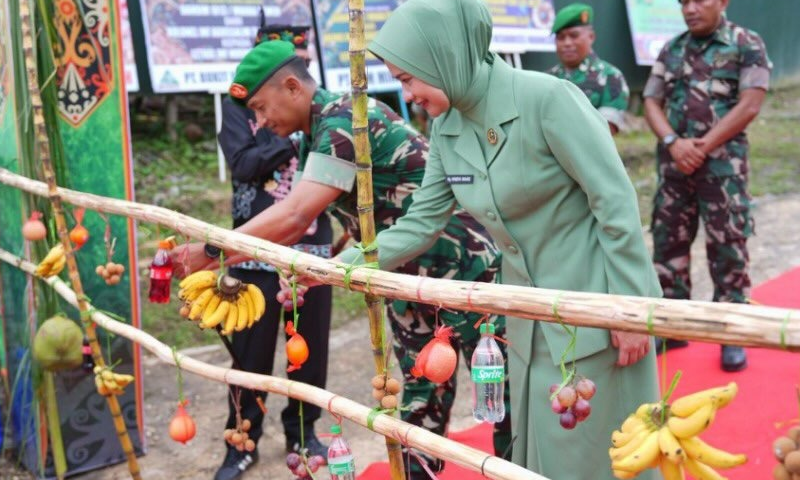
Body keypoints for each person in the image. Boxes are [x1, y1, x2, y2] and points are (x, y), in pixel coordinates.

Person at [324, 0, 661, 478]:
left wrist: (629, 308)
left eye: (408, 78)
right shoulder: (446, 127)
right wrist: (348, 262)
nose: (409, 93)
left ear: (443, 57)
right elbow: (422, 222)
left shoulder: (547, 99)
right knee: (544, 454)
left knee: (606, 456)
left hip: (598, 308)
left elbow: (616, 202)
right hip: (527, 317)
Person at [175, 40, 513, 477]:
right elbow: (317, 217)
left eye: (260, 107)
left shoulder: (345, 119)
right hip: (403, 280)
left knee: (500, 396)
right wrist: (314, 262)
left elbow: (294, 215)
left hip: (462, 274)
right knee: (419, 395)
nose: (258, 121)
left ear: (293, 87)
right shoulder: (314, 135)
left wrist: (208, 251)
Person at [211, 24, 333, 480]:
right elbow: (242, 163)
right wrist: (289, 138)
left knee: (309, 351)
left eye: (300, 51)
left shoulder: (325, 110)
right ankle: (241, 439)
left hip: (313, 248)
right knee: (250, 353)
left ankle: (303, 432)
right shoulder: (239, 104)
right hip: (253, 250)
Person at [643, 0, 770, 372]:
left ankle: (730, 332)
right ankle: (672, 327)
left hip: (722, 172)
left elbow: (750, 104)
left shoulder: (746, 43)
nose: (690, 9)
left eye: (699, 0)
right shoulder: (673, 48)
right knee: (668, 248)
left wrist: (703, 146)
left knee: (728, 248)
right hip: (674, 169)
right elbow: (651, 100)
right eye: (683, 2)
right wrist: (673, 143)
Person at [547, 3, 630, 135]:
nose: (567, 43)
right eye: (561, 37)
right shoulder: (548, 78)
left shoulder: (611, 76)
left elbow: (606, 128)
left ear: (591, 37)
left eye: (574, 36)